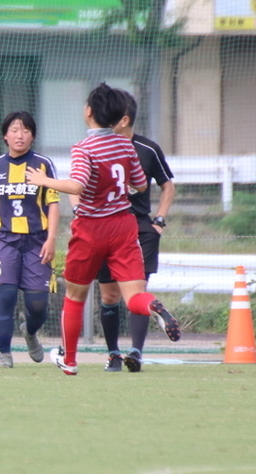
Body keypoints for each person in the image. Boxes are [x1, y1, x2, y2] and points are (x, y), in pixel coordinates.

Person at [24, 83, 180, 376]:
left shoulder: (84, 148)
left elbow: (77, 185)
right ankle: (154, 306)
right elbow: (140, 184)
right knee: (134, 295)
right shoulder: (125, 145)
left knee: (75, 295)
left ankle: (69, 361)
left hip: (92, 227)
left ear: (89, 112)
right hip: (124, 224)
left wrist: (44, 181)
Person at [0, 111, 60, 368]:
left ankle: (30, 332)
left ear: (33, 136)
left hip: (37, 242)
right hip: (4, 242)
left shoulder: (43, 165)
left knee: (38, 304)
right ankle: (5, 355)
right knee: (6, 296)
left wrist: (51, 239)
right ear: (5, 136)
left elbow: (53, 204)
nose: (20, 135)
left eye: (26, 130)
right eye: (15, 130)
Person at [96, 91, 176, 372]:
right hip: (105, 227)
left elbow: (168, 185)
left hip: (139, 229)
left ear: (124, 120)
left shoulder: (148, 149)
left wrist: (159, 221)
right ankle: (113, 354)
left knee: (137, 290)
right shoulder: (97, 147)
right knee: (109, 296)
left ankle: (136, 352)